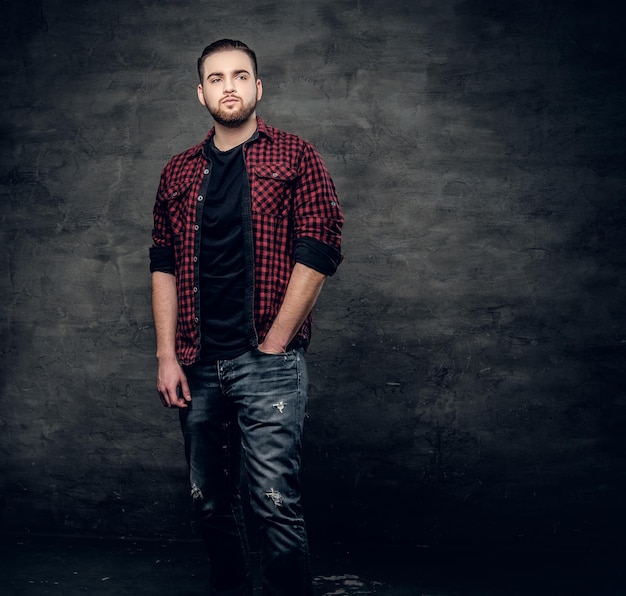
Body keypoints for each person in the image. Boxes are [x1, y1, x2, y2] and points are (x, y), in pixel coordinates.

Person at [149, 39, 344, 596]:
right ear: (200, 93)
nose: (228, 86)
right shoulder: (178, 171)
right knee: (209, 500)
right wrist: (167, 357)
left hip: (266, 361)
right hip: (196, 362)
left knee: (273, 501)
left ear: (258, 88)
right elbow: (162, 263)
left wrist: (276, 343)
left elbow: (319, 248)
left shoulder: (294, 155)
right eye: (216, 78)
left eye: (240, 76)